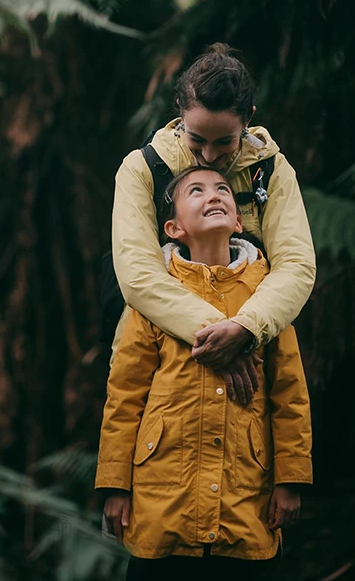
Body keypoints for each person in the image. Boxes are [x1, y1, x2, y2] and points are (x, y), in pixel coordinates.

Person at [95, 166, 313, 579]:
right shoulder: (156, 293)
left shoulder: (267, 294)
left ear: (237, 220)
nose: (212, 195)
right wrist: (114, 485)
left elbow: (290, 391)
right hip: (162, 501)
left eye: (222, 190)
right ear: (174, 227)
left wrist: (291, 479)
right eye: (196, 190)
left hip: (246, 500)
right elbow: (124, 394)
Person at [110, 43, 316, 404]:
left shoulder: (270, 170)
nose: (209, 155)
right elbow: (137, 274)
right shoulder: (142, 168)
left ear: (247, 120)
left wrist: (246, 328)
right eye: (196, 139)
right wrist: (221, 335)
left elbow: (296, 265)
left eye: (225, 142)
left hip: (255, 359)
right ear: (179, 113)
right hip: (157, 361)